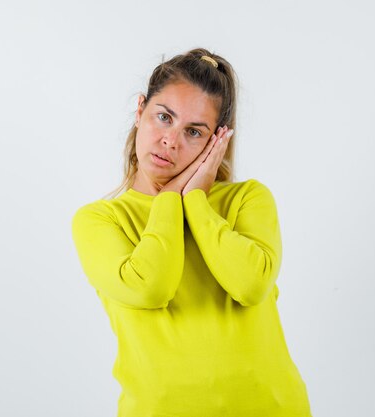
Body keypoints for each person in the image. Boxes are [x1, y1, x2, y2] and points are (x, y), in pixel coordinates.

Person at [71, 48, 312, 417]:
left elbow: (250, 284)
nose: (171, 140)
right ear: (140, 111)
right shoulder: (100, 220)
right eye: (164, 117)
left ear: (217, 142)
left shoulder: (248, 199)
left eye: (194, 132)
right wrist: (170, 198)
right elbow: (150, 287)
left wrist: (195, 201)